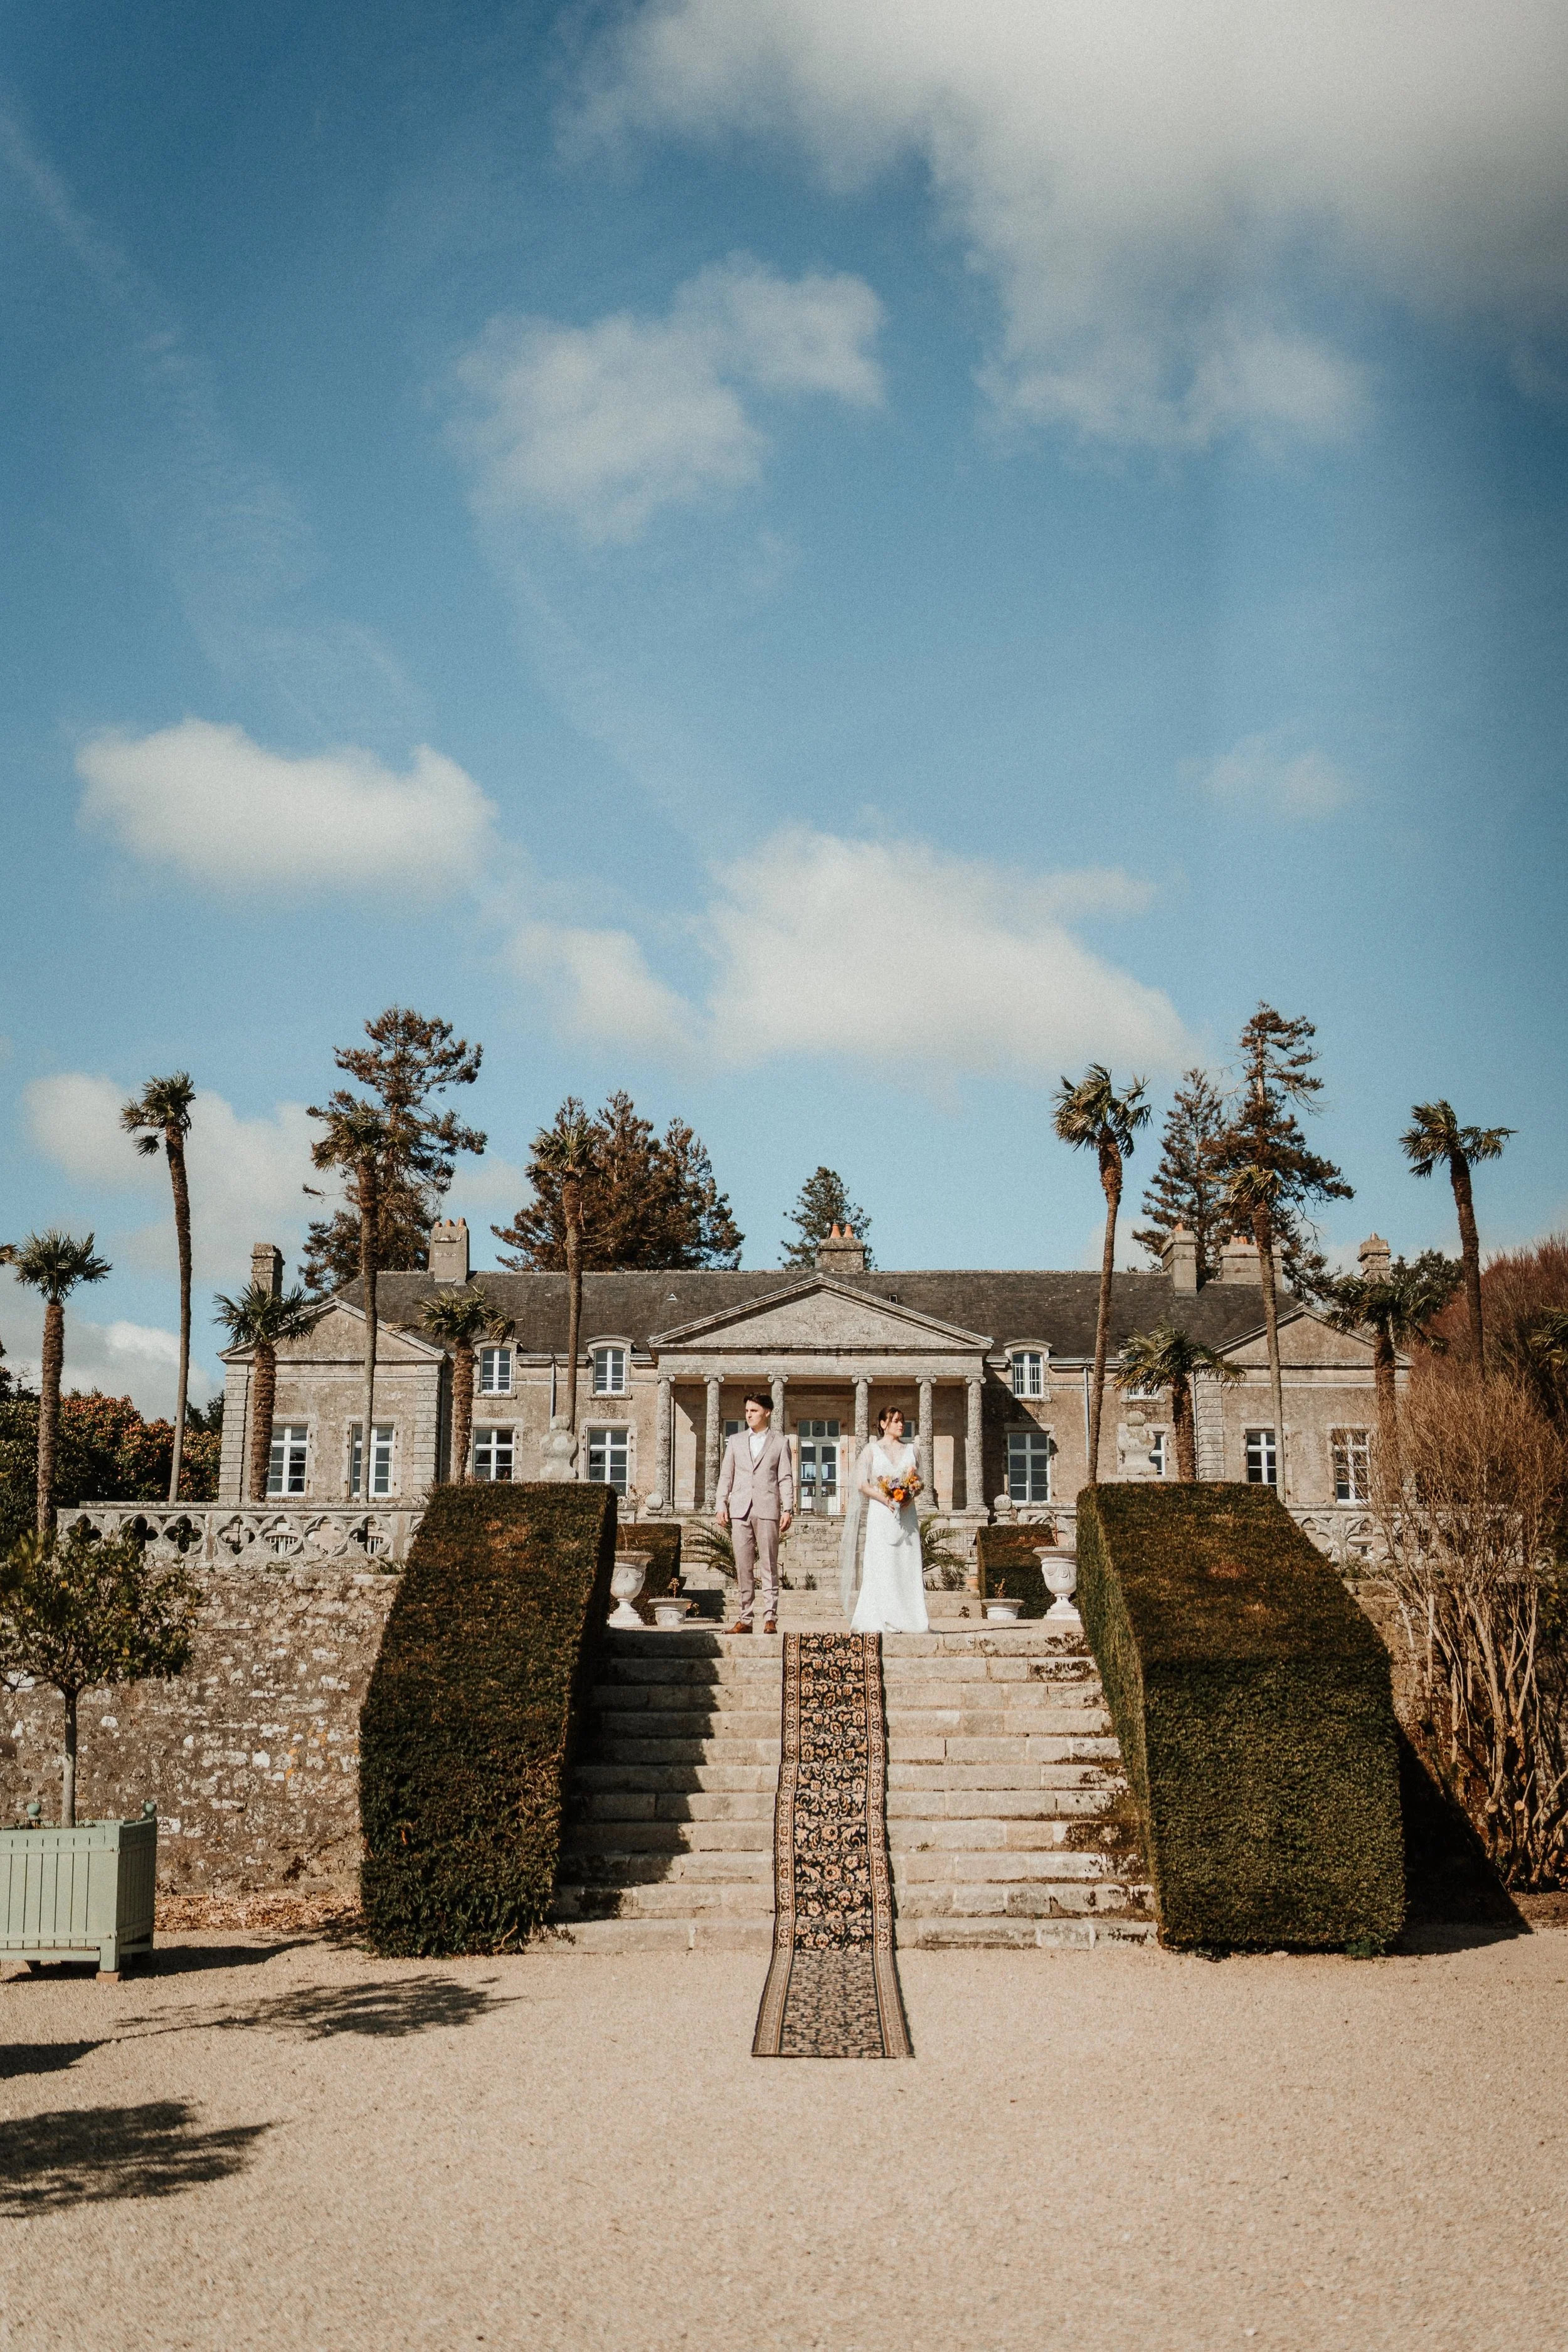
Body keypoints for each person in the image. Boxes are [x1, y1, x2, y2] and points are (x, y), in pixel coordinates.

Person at [839, 1404, 930, 1634]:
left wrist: (911, 1495)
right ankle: (881, 1615)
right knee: (881, 1562)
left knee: (905, 1562)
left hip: (907, 1514)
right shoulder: (871, 1450)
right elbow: (862, 1484)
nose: (901, 1425)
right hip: (881, 1513)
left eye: (902, 1420)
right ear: (883, 1424)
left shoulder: (913, 1450)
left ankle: (910, 1618)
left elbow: (920, 1481)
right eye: (896, 1420)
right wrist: (885, 1498)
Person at [716, 1391, 794, 1634]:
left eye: (754, 1411)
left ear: (767, 1413)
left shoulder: (780, 1443)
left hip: (768, 1508)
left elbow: (785, 1477)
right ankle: (745, 1619)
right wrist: (721, 1503)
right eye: (747, 1411)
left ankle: (770, 1617)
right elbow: (726, 1475)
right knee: (743, 1566)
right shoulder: (736, 1441)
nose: (749, 1415)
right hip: (740, 1509)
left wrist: (788, 1508)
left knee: (769, 1565)